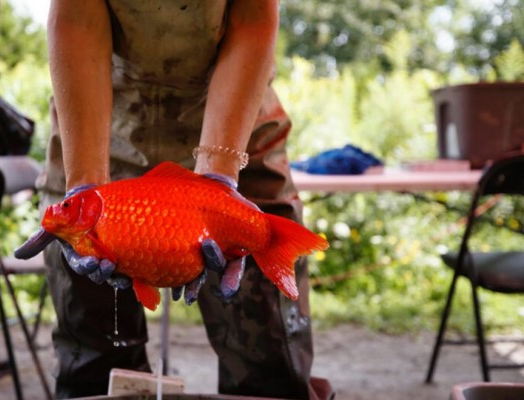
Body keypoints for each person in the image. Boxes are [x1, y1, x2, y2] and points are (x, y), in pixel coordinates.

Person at [30, 1, 333, 398]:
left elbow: (253, 20)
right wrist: (84, 185)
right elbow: (77, 18)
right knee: (93, 360)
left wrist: (218, 179)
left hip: (237, 130)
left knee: (269, 366)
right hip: (98, 130)